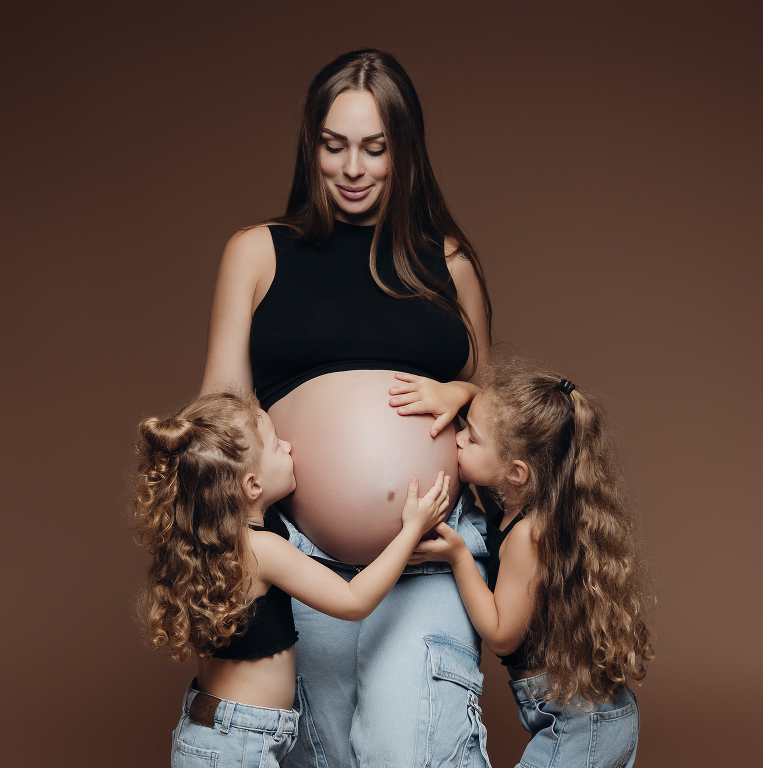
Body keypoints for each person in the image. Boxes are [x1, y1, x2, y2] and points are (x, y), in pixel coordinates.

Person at [199, 50, 494, 767]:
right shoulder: (257, 253)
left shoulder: (447, 264)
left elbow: (505, 421)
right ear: (312, 147)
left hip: (430, 551)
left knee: (408, 749)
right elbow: (215, 414)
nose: (352, 169)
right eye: (334, 147)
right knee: (321, 753)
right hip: (296, 555)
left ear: (405, 152)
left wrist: (466, 393)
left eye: (374, 149)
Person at [132, 391, 451, 768]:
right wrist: (410, 531)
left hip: (217, 732)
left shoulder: (207, 544)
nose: (288, 446)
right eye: (275, 445)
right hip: (239, 743)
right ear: (252, 486)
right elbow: (352, 600)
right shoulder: (260, 549)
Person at [392, 360, 654, 768]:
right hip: (590, 715)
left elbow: (501, 636)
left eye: (470, 438)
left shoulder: (528, 536)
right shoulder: (516, 496)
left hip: (582, 725)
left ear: (516, 472)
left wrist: (460, 556)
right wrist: (458, 393)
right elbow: (490, 417)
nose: (457, 439)